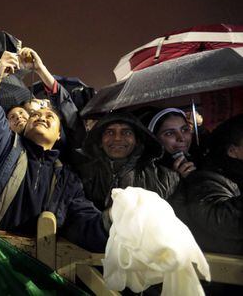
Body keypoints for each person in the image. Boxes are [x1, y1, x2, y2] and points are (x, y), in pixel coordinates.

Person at [0, 4, 107, 253]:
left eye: (50, 116)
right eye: (36, 113)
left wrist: (117, 222)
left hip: (32, 281)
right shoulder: (4, 149)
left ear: (59, 135)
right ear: (22, 128)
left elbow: (88, 226)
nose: (41, 116)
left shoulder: (67, 180)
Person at [76, 112, 180, 213]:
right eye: (110, 132)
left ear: (137, 141)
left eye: (126, 132)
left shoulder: (165, 179)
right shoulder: (81, 176)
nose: (117, 138)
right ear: (100, 142)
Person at [175, 114, 243, 255]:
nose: (180, 137)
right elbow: (223, 222)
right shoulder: (207, 180)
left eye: (185, 130)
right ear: (232, 151)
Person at [147, 108, 197, 178]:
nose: (181, 138)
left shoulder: (203, 160)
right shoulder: (148, 175)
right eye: (169, 133)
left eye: (185, 130)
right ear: (154, 139)